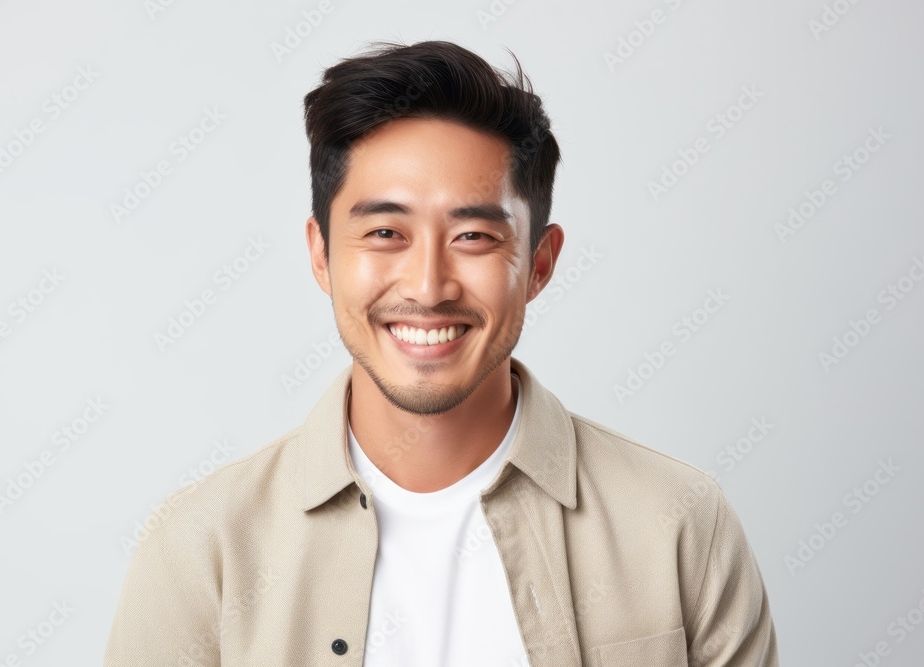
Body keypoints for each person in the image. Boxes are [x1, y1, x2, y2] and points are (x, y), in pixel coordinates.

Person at [105, 40, 778, 666]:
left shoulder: (678, 523)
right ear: (322, 254)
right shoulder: (201, 546)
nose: (428, 286)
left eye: (476, 237)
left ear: (539, 263)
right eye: (386, 231)